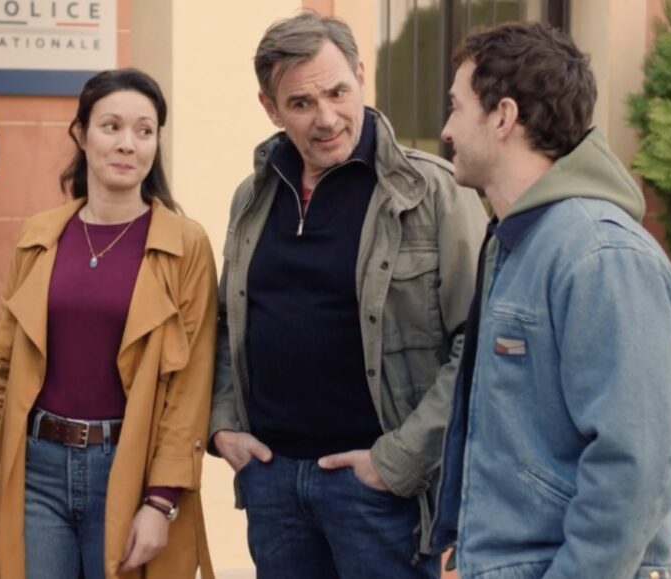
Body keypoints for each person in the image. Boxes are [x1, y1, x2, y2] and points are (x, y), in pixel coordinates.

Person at [209, 12, 489, 579]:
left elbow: (478, 343)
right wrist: (223, 425)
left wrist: (399, 461)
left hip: (379, 493)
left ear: (362, 76)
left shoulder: (433, 192)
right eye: (301, 103)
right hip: (272, 485)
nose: (327, 118)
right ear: (270, 108)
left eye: (338, 92)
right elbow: (227, 321)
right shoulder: (252, 196)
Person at [429, 22, 671, 579]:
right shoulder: (518, 243)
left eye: (456, 108)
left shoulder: (601, 255)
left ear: (503, 116)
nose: (447, 130)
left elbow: (635, 463)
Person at [0, 68, 217, 579]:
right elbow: (2, 364)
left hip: (128, 469)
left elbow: (190, 389)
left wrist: (161, 500)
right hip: (35, 469)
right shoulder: (39, 237)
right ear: (80, 134)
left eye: (144, 131)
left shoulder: (185, 245)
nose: (127, 144)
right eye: (111, 126)